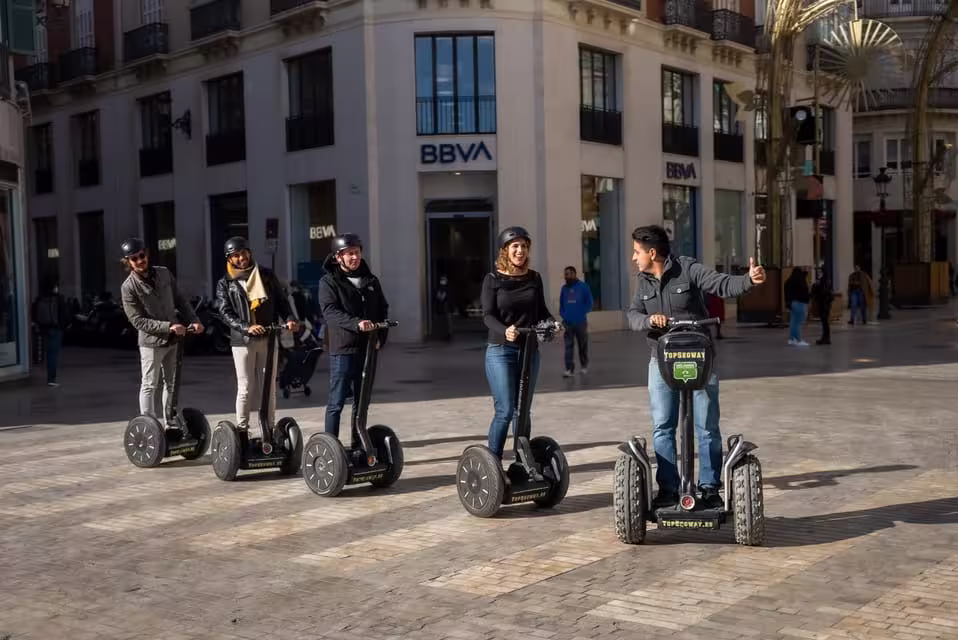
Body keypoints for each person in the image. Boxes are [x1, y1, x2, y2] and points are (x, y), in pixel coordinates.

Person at [627, 225, 765, 509]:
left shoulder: (687, 269)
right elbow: (633, 315)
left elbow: (721, 284)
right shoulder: (643, 281)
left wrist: (748, 280)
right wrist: (648, 321)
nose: (633, 257)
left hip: (698, 358)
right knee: (663, 426)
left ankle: (710, 488)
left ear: (652, 252)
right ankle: (668, 489)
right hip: (661, 360)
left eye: (636, 251)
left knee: (706, 426)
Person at [481, 226, 558, 459]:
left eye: (524, 246)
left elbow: (542, 310)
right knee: (505, 410)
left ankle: (521, 461)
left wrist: (552, 323)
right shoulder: (492, 279)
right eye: (515, 246)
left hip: (529, 350)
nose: (520, 250)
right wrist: (506, 331)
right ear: (505, 250)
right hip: (500, 350)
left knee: (522, 411)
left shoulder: (534, 278)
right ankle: (492, 463)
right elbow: (487, 315)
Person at [215, 237, 297, 440]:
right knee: (245, 387)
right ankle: (242, 430)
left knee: (269, 386)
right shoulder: (226, 282)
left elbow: (281, 302)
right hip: (242, 341)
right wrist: (247, 327)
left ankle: (268, 427)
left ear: (249, 252)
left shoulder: (266, 275)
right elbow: (225, 312)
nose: (241, 257)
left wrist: (289, 318)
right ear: (230, 258)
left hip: (269, 337)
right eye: (236, 255)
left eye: (244, 253)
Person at [119, 238, 203, 428]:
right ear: (128, 262)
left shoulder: (164, 274)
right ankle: (149, 425)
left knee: (171, 383)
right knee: (149, 384)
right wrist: (168, 327)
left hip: (173, 340)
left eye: (142, 256)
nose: (140, 260)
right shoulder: (128, 287)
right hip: (151, 343)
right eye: (134, 259)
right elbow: (137, 321)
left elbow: (181, 300)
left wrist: (194, 320)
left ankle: (171, 422)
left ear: (146, 254)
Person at [317, 233, 389, 452]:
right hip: (344, 347)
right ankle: (331, 447)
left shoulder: (370, 280)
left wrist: (380, 337)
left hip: (368, 348)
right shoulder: (329, 281)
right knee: (337, 401)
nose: (354, 257)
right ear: (338, 257)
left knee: (362, 400)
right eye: (349, 254)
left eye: (357, 253)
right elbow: (331, 312)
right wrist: (357, 323)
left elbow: (382, 309)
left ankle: (358, 445)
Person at [32, 277, 70, 387]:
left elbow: (34, 313)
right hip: (56, 328)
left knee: (48, 352)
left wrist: (39, 324)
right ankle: (51, 379)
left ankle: (50, 377)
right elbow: (65, 314)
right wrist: (64, 327)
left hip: (44, 328)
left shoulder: (39, 298)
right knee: (53, 354)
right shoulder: (58, 299)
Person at [559, 266, 593, 377]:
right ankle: (569, 369)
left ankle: (584, 366)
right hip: (568, 323)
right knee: (568, 346)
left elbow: (589, 303)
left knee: (582, 345)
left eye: (568, 274)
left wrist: (581, 312)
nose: (566, 276)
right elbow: (562, 304)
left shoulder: (583, 287)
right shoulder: (564, 288)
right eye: (565, 274)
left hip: (580, 323)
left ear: (574, 274)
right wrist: (563, 314)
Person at [783, 267, 810, 347]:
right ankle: (798, 340)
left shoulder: (788, 281)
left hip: (792, 303)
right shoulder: (800, 281)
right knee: (798, 322)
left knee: (793, 322)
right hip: (800, 303)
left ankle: (792, 339)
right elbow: (804, 292)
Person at [811, 266, 832, 345]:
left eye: (820, 272)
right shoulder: (820, 280)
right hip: (821, 303)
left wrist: (817, 285)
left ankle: (826, 338)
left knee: (825, 322)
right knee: (824, 322)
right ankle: (825, 338)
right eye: (818, 272)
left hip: (825, 303)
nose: (819, 273)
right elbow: (814, 291)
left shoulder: (825, 281)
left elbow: (824, 292)